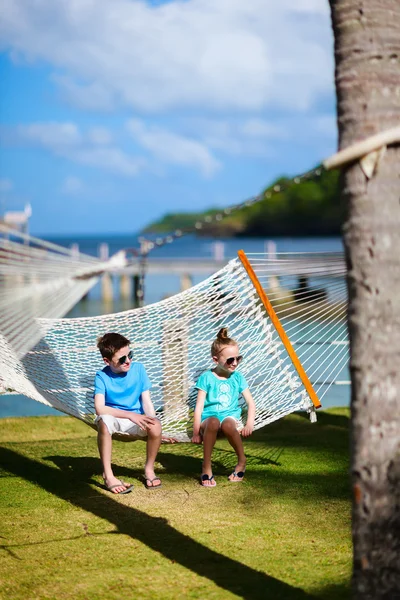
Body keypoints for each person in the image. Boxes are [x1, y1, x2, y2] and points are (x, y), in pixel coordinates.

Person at [94, 332, 162, 493]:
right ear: (107, 361)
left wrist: (155, 428)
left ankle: (149, 470)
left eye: (129, 355)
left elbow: (146, 401)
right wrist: (131, 415)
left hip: (136, 420)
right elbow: (100, 408)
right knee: (103, 421)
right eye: (122, 359)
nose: (128, 361)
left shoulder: (138, 369)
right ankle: (108, 476)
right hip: (114, 417)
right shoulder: (101, 376)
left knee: (156, 425)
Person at [191, 327, 256, 487]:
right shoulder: (206, 377)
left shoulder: (238, 377)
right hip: (209, 417)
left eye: (238, 358)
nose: (234, 363)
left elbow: (250, 403)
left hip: (230, 416)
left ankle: (242, 460)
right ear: (215, 360)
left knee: (227, 424)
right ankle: (206, 467)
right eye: (229, 360)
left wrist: (249, 424)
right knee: (213, 422)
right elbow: (198, 407)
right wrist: (195, 432)